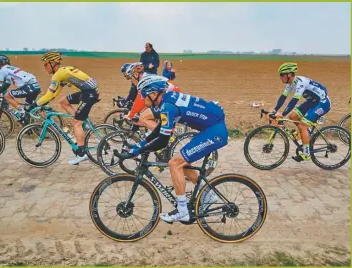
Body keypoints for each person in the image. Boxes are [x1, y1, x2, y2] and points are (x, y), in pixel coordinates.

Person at [122, 76, 229, 222]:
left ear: (153, 94)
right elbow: (160, 129)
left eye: (143, 95)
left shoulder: (167, 106)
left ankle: (182, 210)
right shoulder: (168, 100)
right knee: (183, 163)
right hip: (211, 128)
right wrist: (141, 145)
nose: (142, 99)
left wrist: (140, 150)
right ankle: (208, 195)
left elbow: (163, 141)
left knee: (175, 163)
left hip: (215, 131)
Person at [26, 51, 100, 165]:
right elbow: (54, 94)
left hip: (88, 94)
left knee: (76, 123)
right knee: (63, 101)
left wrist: (34, 105)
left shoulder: (58, 74)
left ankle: (82, 153)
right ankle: (81, 120)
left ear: (53, 63)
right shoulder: (63, 72)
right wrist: (44, 102)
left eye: (46, 64)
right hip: (88, 92)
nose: (45, 67)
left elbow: (49, 95)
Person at [272, 62, 331, 162]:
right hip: (312, 102)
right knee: (293, 116)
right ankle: (306, 134)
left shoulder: (300, 82)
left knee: (302, 125)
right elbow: (283, 97)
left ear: (289, 75)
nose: (280, 77)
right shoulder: (290, 83)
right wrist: (274, 110)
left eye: (282, 75)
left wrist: (282, 114)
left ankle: (306, 154)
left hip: (322, 103)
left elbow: (294, 100)